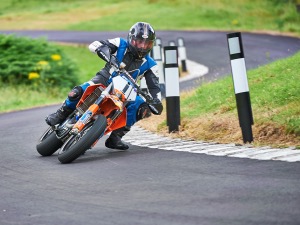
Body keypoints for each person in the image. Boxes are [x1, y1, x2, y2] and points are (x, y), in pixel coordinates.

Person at [45, 22, 163, 150]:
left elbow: (154, 87)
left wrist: (156, 101)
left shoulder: (151, 64)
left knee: (142, 108)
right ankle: (60, 114)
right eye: (139, 42)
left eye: (147, 43)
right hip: (105, 78)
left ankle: (116, 137)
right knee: (77, 92)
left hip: (126, 90)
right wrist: (103, 52)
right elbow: (95, 45)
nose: (142, 46)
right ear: (131, 39)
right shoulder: (120, 43)